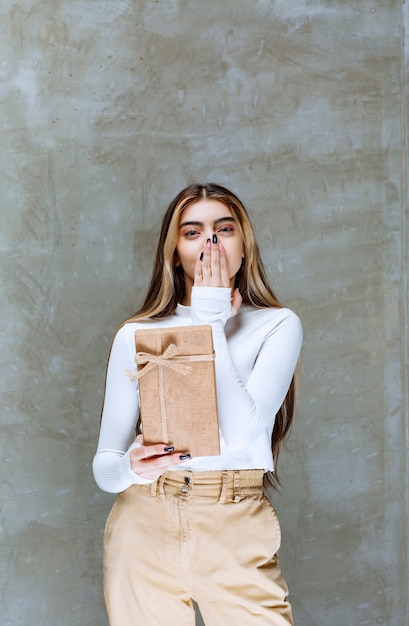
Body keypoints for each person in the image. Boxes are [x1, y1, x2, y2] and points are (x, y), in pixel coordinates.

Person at [92, 182, 303, 625]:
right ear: (174, 252)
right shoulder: (136, 334)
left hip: (233, 520)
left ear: (243, 246)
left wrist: (208, 317)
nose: (210, 241)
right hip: (144, 523)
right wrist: (133, 466)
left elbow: (246, 432)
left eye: (223, 228)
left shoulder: (278, 325)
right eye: (192, 232)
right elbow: (106, 468)